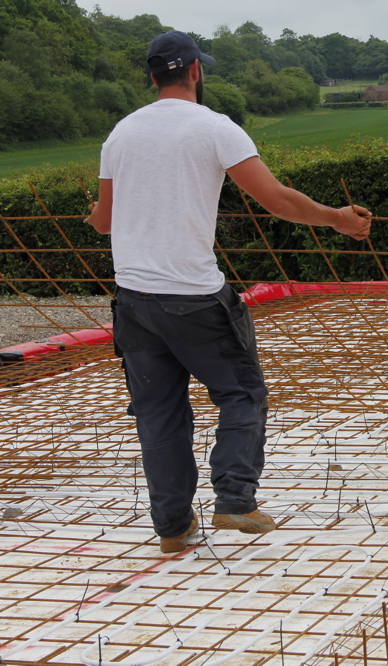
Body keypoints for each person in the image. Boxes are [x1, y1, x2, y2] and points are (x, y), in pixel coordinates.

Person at [85, 31, 371, 553]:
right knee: (241, 393)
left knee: (160, 415)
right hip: (194, 298)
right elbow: (278, 200)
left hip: (133, 303)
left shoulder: (121, 134)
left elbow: (102, 223)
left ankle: (173, 529)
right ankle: (235, 499)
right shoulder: (215, 128)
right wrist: (338, 220)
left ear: (152, 77)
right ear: (195, 71)